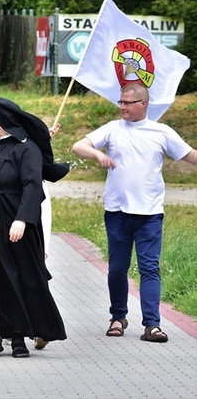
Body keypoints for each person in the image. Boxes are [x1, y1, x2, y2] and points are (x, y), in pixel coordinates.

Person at [72, 83, 196, 343]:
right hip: (117, 212)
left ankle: (152, 324)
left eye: (128, 102)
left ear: (143, 104)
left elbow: (189, 155)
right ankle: (118, 316)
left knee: (149, 268)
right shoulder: (114, 129)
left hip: (149, 213)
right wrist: (97, 154)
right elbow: (78, 146)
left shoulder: (161, 132)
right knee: (117, 268)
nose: (122, 107)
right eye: (121, 102)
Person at [0, 98, 67, 358]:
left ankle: (17, 336)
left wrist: (22, 219)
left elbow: (32, 186)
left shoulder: (26, 148)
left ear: (4, 122)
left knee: (12, 278)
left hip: (11, 223)